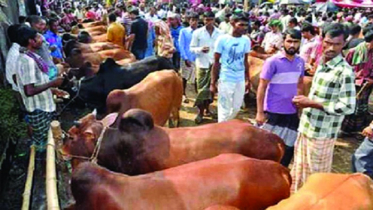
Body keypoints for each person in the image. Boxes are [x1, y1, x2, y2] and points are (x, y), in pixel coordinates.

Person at [291, 23, 356, 193]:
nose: (331, 48)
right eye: (328, 42)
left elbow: (348, 106)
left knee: (316, 177)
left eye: (337, 44)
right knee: (298, 169)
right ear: (322, 40)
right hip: (306, 126)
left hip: (322, 133)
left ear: (344, 44)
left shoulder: (344, 72)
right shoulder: (322, 61)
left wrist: (311, 103)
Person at [256, 29, 305, 167]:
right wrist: (260, 112)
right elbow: (262, 86)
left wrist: (299, 105)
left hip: (291, 112)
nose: (292, 45)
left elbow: (300, 83)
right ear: (283, 42)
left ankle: (280, 173)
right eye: (289, 41)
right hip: (273, 111)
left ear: (300, 43)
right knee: (265, 146)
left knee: (288, 147)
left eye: (296, 42)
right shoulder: (272, 61)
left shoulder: (300, 62)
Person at [15, 26, 66, 152]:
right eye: (38, 37)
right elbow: (29, 91)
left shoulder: (31, 56)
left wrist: (53, 91)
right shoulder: (27, 61)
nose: (41, 40)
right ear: (31, 41)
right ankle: (42, 164)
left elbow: (38, 81)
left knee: (47, 137)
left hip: (44, 105)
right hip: (39, 109)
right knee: (42, 143)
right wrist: (53, 83)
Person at [211, 14, 251, 123]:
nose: (244, 27)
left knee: (237, 108)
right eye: (241, 25)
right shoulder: (222, 39)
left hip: (240, 78)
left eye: (246, 25)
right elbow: (216, 62)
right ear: (233, 23)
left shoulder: (246, 40)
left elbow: (245, 60)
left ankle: (225, 127)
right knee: (224, 109)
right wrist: (212, 83)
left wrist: (248, 79)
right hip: (226, 78)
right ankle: (222, 133)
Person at [190, 11, 222, 124]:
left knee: (211, 90)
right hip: (202, 64)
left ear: (214, 20)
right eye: (205, 20)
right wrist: (200, 49)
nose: (207, 22)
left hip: (215, 64)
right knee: (201, 90)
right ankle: (200, 112)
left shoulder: (220, 33)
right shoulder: (197, 33)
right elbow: (192, 48)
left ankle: (207, 109)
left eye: (209, 19)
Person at [341, 26, 373, 136]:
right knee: (349, 105)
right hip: (353, 83)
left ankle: (355, 130)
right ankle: (344, 129)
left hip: (367, 85)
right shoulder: (354, 52)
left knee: (360, 108)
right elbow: (345, 67)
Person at [28, 15, 58, 80]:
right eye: (40, 24)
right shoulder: (33, 39)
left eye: (44, 25)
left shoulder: (40, 36)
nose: (43, 27)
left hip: (50, 66)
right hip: (45, 70)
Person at [179, 12, 198, 103]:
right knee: (184, 77)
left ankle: (198, 96)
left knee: (197, 78)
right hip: (186, 57)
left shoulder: (200, 32)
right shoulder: (184, 31)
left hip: (197, 58)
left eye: (195, 20)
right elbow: (181, 45)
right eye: (192, 20)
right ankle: (183, 94)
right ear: (189, 21)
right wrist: (185, 58)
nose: (194, 22)